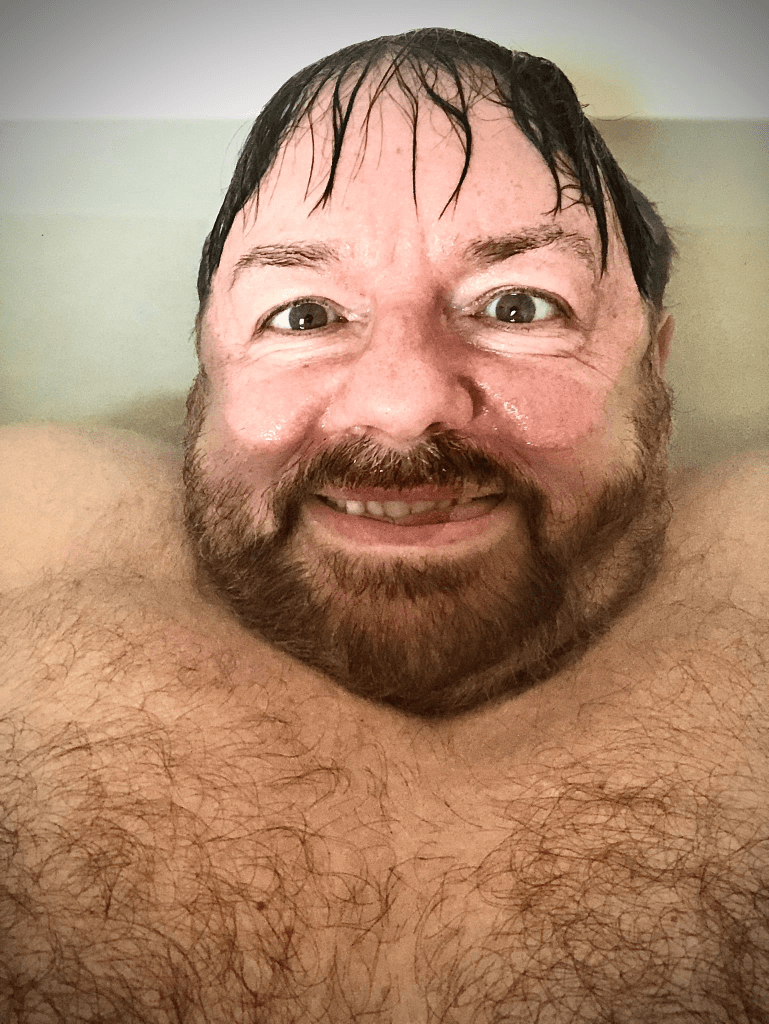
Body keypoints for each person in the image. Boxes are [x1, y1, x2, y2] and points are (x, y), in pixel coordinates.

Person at [1, 27, 767, 1023]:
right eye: (304, 314)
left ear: (653, 370)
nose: (402, 406)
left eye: (519, 305)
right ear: (205, 380)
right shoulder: (29, 521)